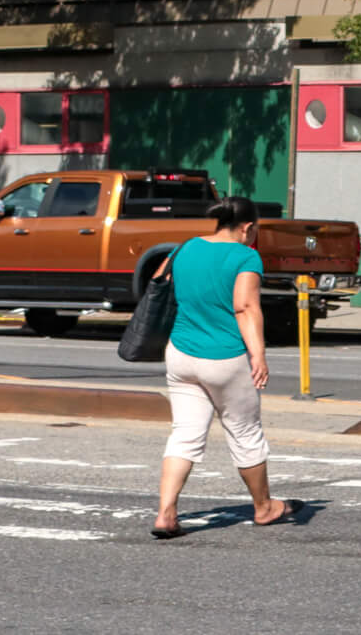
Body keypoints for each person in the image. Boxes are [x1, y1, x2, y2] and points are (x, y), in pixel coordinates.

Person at [150, 196, 293, 539]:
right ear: (247, 228)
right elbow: (245, 307)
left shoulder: (185, 248)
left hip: (180, 353)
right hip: (224, 357)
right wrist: (258, 354)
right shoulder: (246, 255)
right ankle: (264, 507)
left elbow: (157, 282)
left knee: (185, 433)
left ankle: (166, 513)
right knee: (244, 433)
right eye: (254, 231)